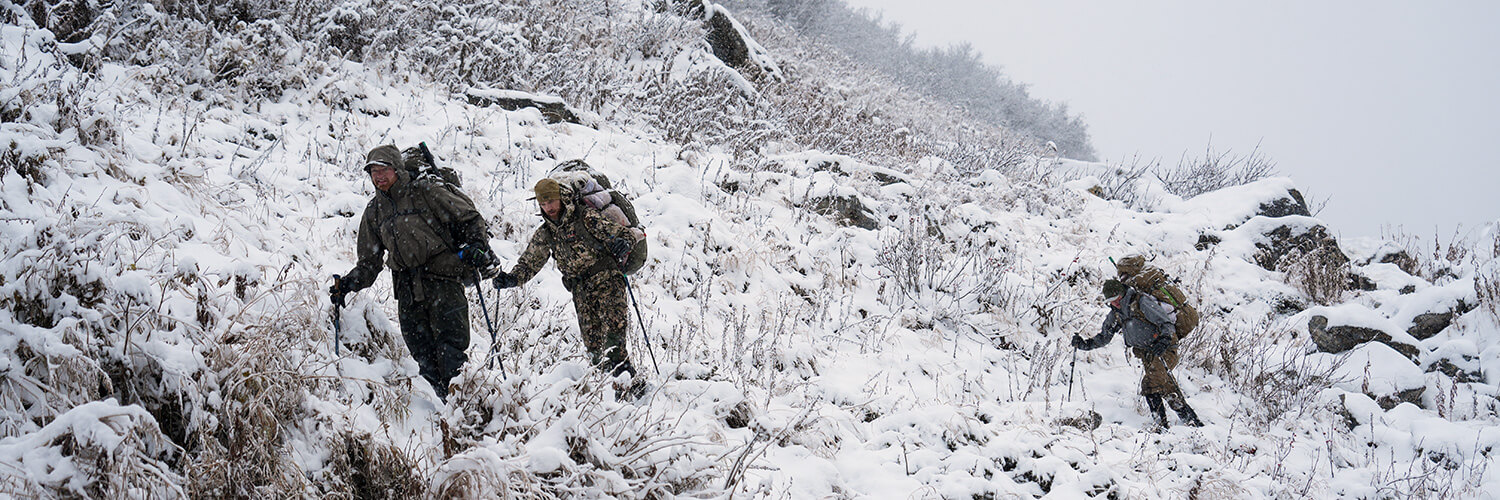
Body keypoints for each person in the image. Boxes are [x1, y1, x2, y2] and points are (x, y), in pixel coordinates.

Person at [329, 145, 495, 401]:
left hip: (443, 281)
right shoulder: (374, 211)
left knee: (451, 354)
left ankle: (463, 412)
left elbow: (471, 218)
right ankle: (438, 419)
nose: (379, 176)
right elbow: (370, 262)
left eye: (384, 169)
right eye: (373, 171)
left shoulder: (427, 191)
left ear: (397, 168)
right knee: (424, 358)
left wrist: (476, 246)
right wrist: (349, 284)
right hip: (406, 291)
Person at [492, 177, 639, 379]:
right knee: (593, 346)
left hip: (606, 278)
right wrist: (512, 279)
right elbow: (529, 262)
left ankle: (627, 381)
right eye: (543, 204)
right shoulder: (546, 233)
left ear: (560, 198)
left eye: (551, 201)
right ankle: (604, 387)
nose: (548, 207)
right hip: (580, 289)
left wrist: (624, 243)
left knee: (615, 334)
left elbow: (625, 235)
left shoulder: (586, 217)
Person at [1073, 278, 1205, 429]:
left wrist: (1164, 339)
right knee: (1167, 388)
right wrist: (1085, 344)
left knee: (1150, 385)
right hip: (1146, 354)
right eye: (1110, 301)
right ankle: (1193, 422)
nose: (1114, 304)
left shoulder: (1142, 302)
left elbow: (1165, 322)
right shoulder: (1116, 313)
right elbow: (1104, 336)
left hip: (1164, 349)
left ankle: (1160, 426)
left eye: (1116, 299)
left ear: (1122, 294)